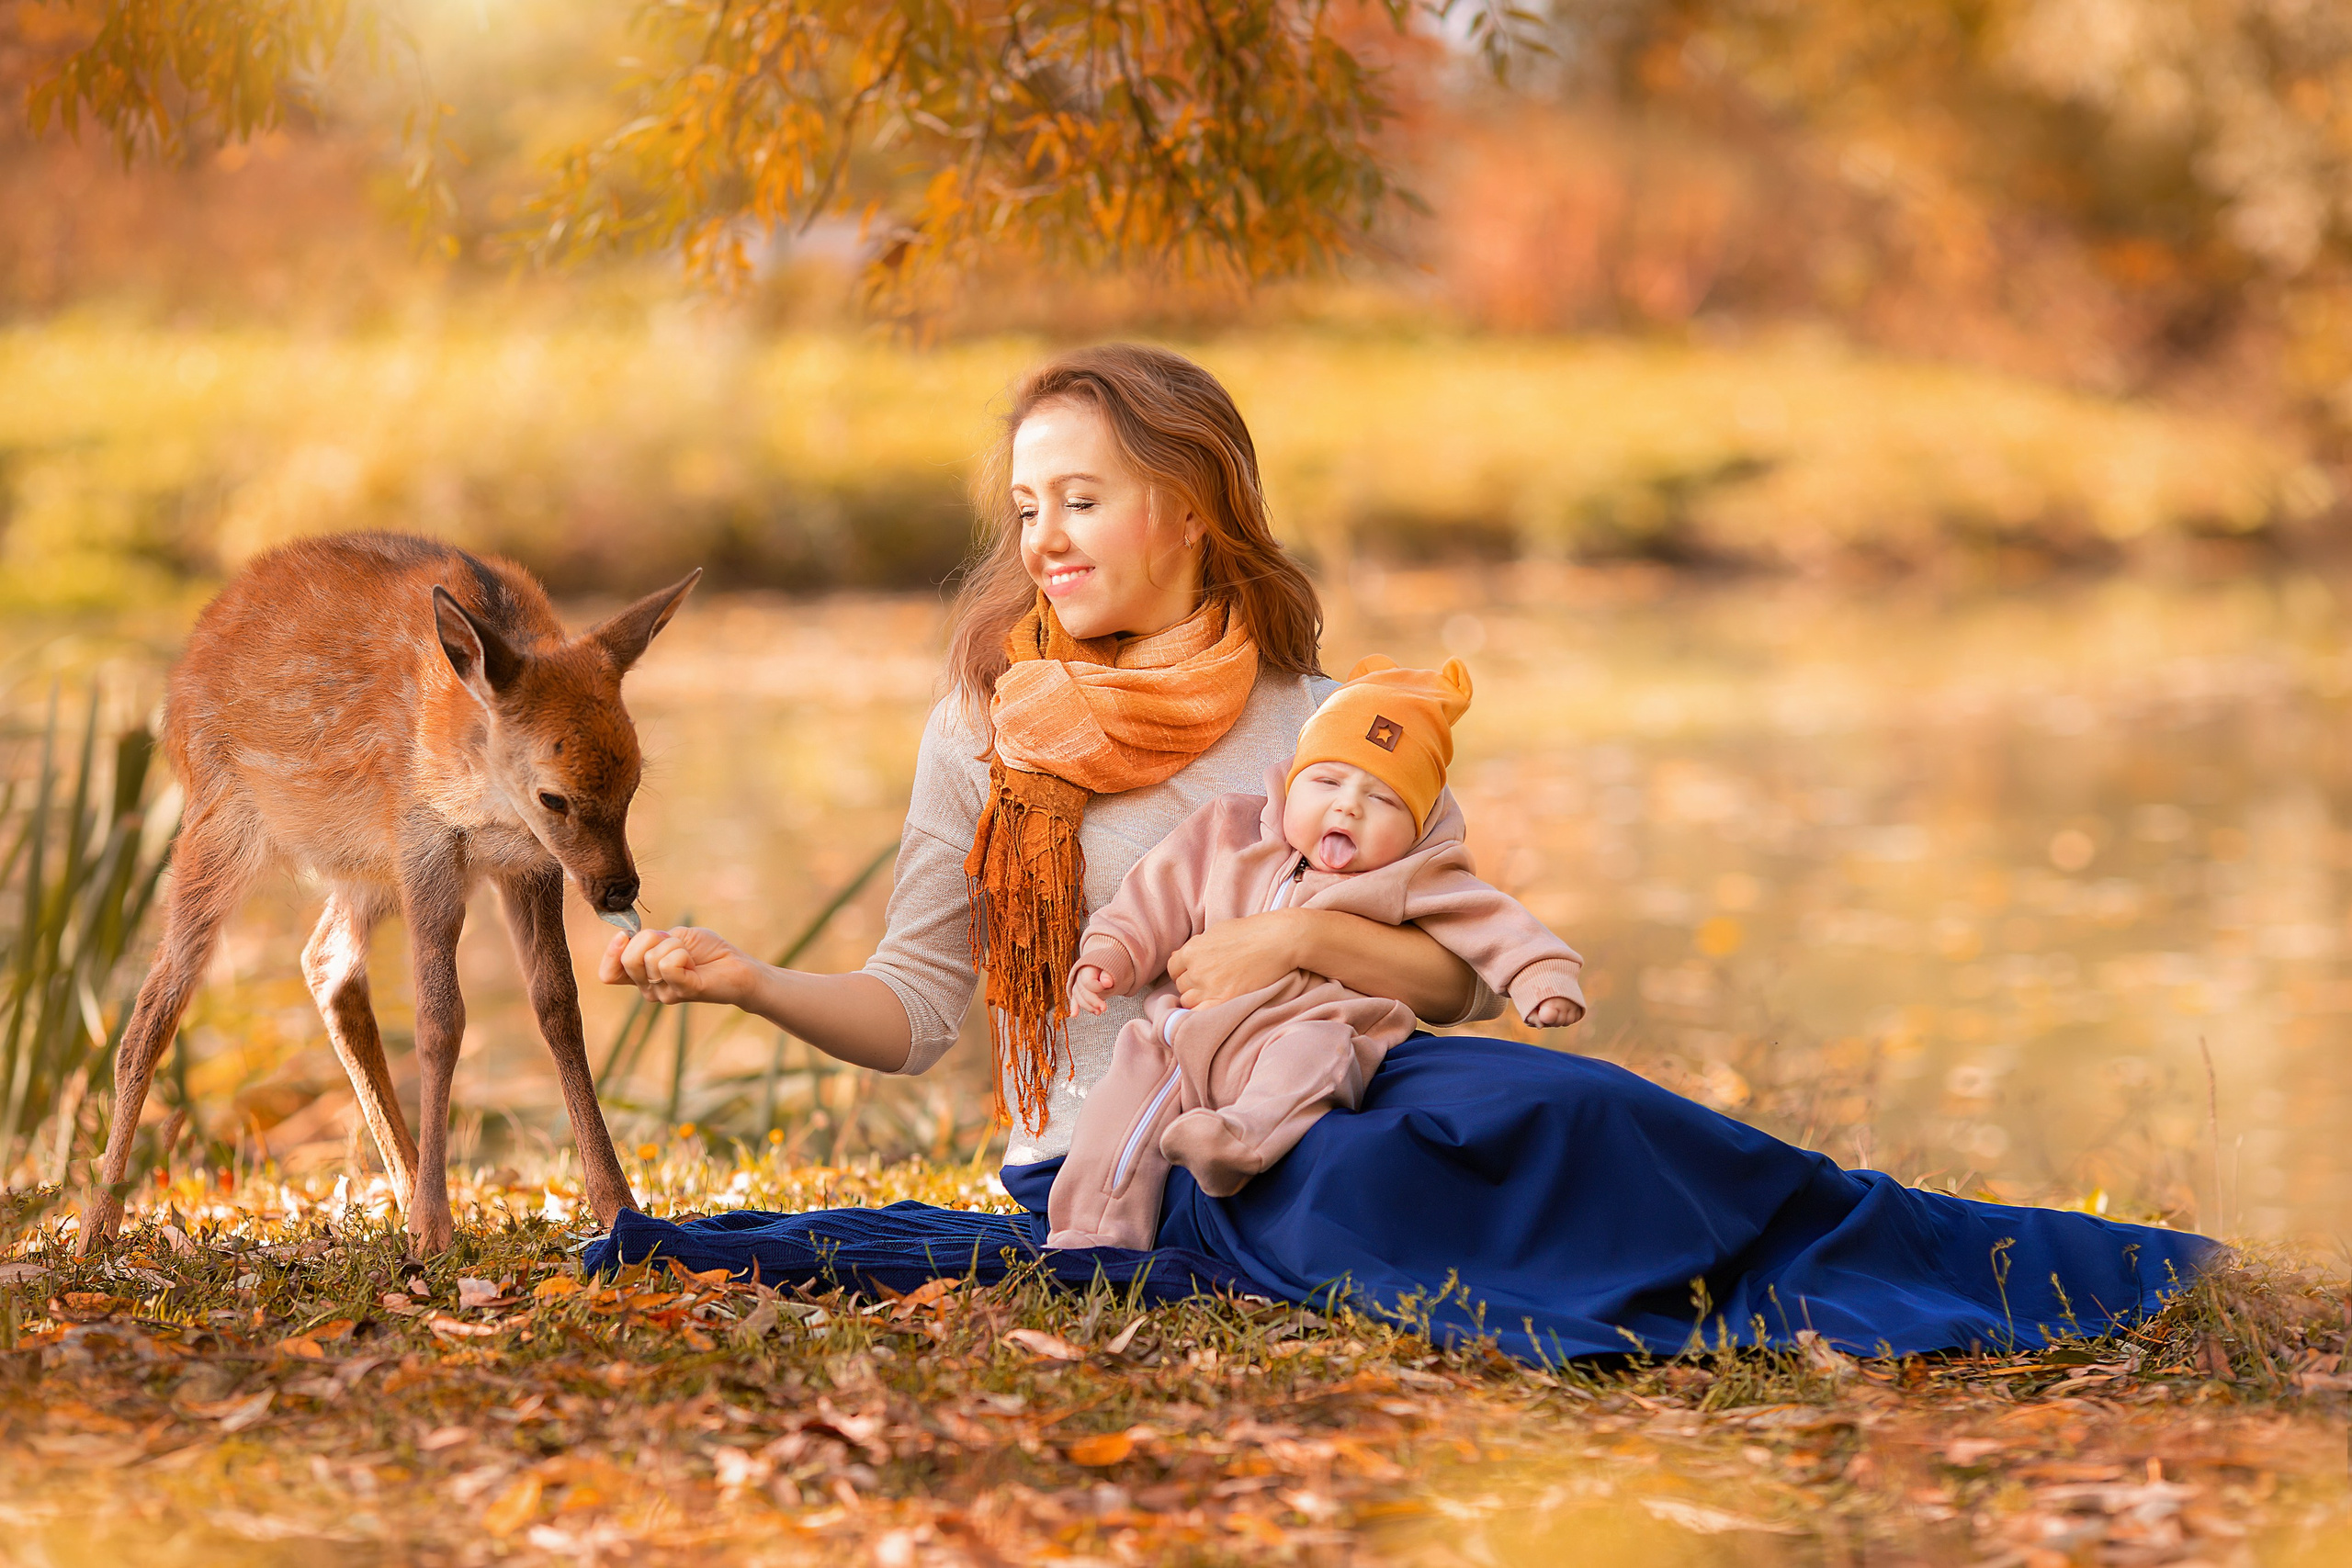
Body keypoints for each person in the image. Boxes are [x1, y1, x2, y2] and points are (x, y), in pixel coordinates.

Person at [599, 343, 2217, 1361]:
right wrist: (751, 981)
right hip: (1141, 1156)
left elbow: (1448, 974)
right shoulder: (986, 731)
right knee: (1377, 1187)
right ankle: (1672, 1304)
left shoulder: (1321, 720)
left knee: (1575, 1106)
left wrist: (1296, 939)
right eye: (1027, 508)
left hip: (1356, 1063)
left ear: (1189, 505)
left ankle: (1986, 1262)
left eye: (1080, 499)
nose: (1045, 540)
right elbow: (914, 1014)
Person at [1049, 655, 1585, 1249]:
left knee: (1314, 1061)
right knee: (1119, 1107)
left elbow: (1493, 921)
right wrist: (1110, 954)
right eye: (1327, 782)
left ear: (1416, 827)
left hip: (1309, 1025)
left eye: (1383, 799)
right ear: (1291, 781)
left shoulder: (1411, 875)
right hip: (1183, 1027)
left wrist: (1543, 975)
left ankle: (1239, 1141)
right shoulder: (1227, 830)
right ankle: (1090, 1233)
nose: (1348, 805)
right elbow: (1154, 896)